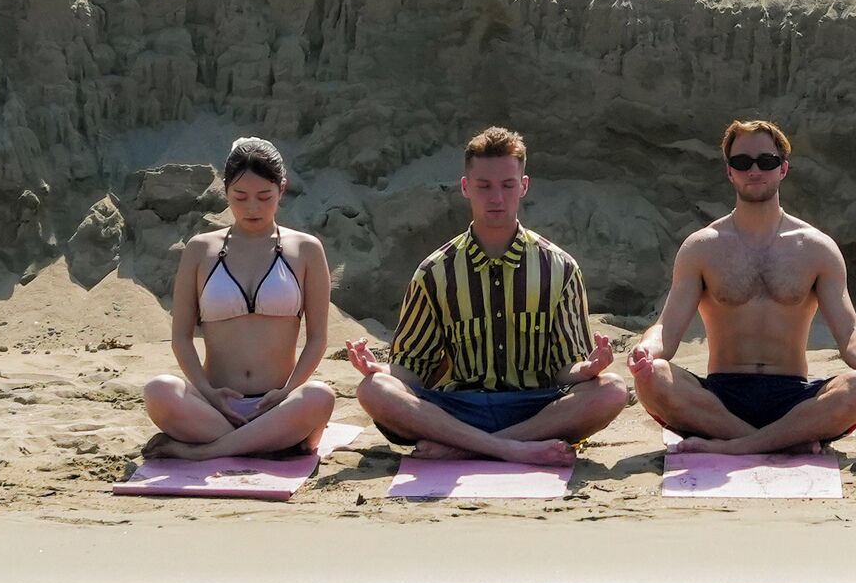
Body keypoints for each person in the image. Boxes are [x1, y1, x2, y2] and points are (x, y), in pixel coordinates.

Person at [344, 125, 632, 467]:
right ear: (466, 188)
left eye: (507, 185)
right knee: (373, 390)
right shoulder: (435, 271)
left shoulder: (560, 268)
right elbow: (413, 368)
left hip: (535, 408)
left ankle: (472, 449)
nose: (496, 197)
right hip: (458, 408)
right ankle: (507, 448)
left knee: (611, 389)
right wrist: (380, 369)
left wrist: (590, 366)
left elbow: (564, 370)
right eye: (484, 186)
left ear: (523, 186)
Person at [627, 118, 856, 455]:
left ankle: (735, 446)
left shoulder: (816, 247)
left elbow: (850, 331)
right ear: (729, 172)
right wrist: (646, 352)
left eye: (766, 161)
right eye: (742, 162)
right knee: (652, 378)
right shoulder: (702, 247)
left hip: (793, 395)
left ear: (783, 169)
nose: (754, 170)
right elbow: (666, 329)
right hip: (721, 397)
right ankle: (773, 442)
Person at [140, 137, 338, 459]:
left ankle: (203, 452)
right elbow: (181, 337)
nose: (252, 208)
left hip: (276, 403)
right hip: (215, 405)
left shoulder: (306, 249)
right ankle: (262, 442)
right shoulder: (200, 249)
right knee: (159, 391)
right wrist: (207, 392)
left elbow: (317, 339)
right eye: (240, 197)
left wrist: (287, 392)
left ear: (282, 188)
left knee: (320, 396)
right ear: (225, 190)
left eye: (264, 196)